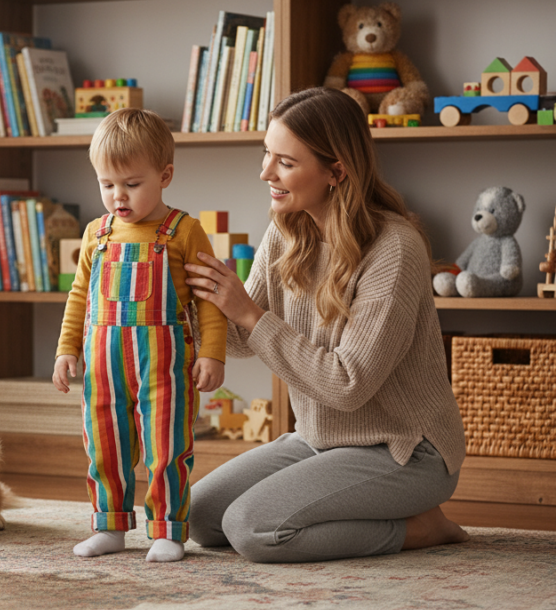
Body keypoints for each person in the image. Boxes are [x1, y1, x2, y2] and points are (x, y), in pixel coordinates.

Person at [183, 86, 470, 564]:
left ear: (336, 171)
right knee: (197, 517)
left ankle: (420, 528)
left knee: (252, 528)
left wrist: (249, 311)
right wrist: (193, 298)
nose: (265, 173)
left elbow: (347, 385)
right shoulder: (286, 230)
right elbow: (241, 340)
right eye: (266, 154)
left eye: (285, 163)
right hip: (319, 440)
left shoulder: (395, 249)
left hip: (405, 450)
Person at [53, 108, 227, 563]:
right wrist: (66, 349)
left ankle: (167, 529)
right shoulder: (97, 234)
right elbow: (79, 297)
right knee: (105, 442)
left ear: (165, 174)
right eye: (107, 185)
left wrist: (212, 354)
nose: (118, 196)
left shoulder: (184, 232)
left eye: (131, 184)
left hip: (164, 365)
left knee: (167, 446)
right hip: (103, 364)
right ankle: (109, 525)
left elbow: (208, 301)